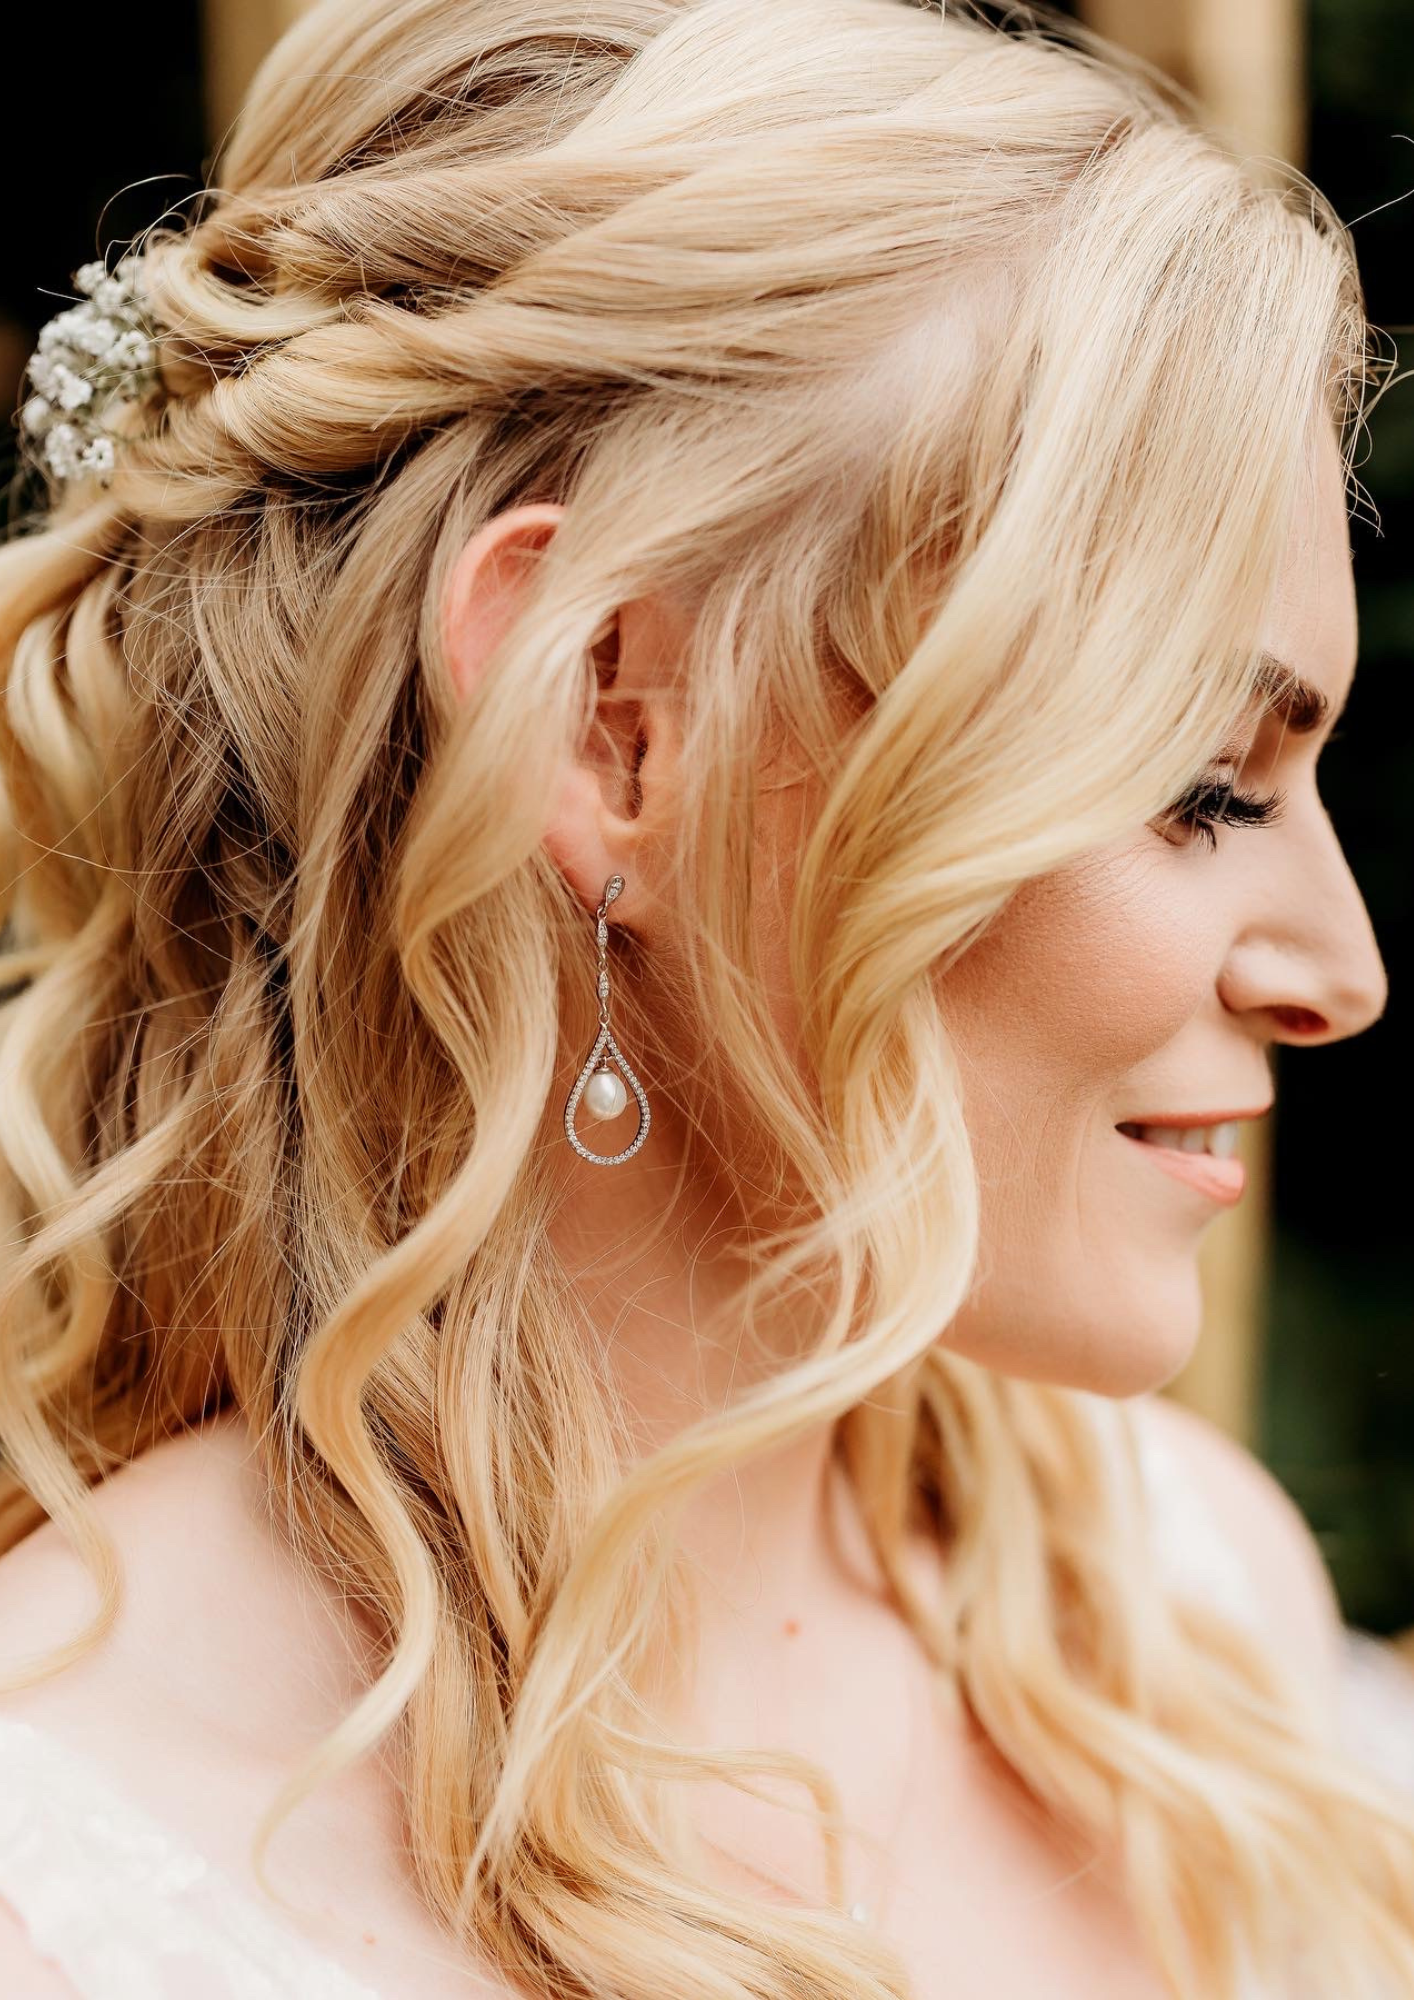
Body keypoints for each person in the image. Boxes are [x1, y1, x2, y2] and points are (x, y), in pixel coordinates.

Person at [0, 1, 1411, 1994]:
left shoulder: (1173, 1611)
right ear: (611, 728)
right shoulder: (68, 1882)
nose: (1337, 974)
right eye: (1197, 785)